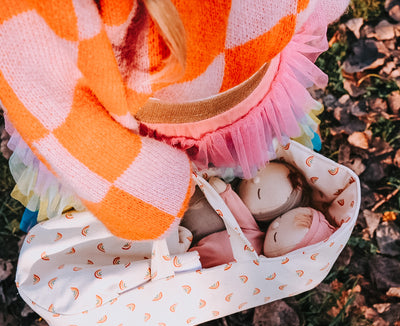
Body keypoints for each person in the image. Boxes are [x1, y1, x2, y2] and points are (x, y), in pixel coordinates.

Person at [0, 0, 350, 241]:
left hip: (252, 100)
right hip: (147, 132)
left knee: (263, 164)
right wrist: (141, 191)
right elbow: (49, 81)